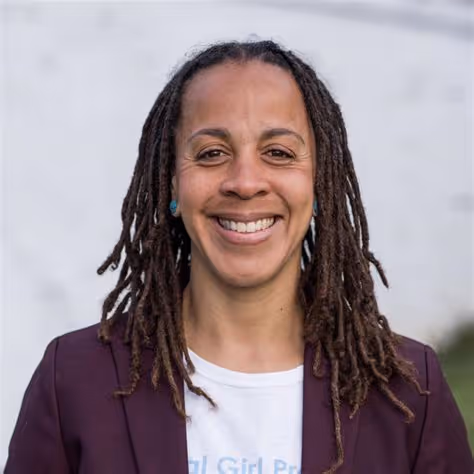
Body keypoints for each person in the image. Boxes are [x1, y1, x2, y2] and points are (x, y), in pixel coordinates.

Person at [5, 40, 473, 474]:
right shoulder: (74, 380)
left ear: (319, 181)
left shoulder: (408, 390)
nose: (246, 182)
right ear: (171, 182)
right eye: (211, 153)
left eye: (278, 152)